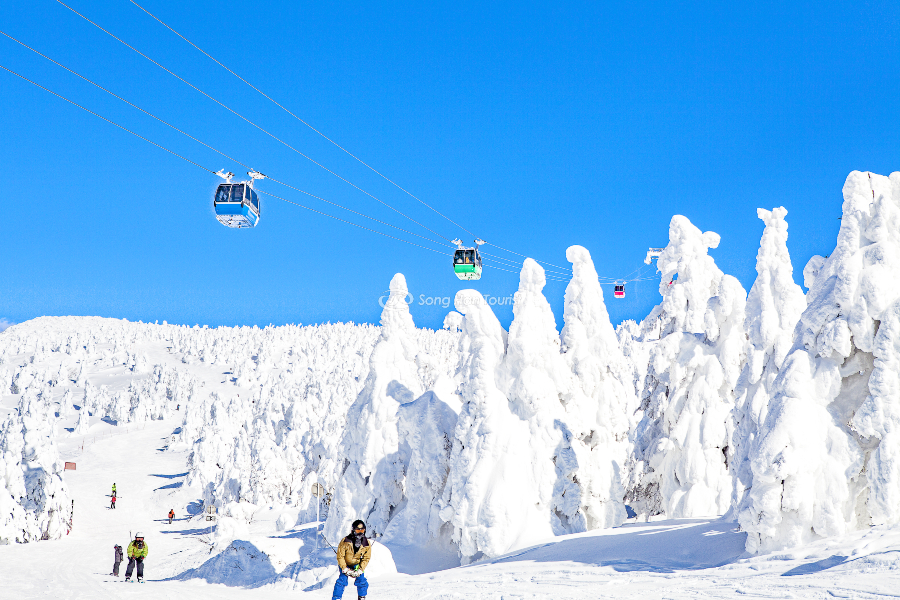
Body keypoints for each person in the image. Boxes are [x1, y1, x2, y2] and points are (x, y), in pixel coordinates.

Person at [332, 519, 370, 600]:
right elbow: (340, 556)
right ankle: (337, 598)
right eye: (358, 530)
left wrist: (360, 569)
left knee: (362, 580)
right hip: (345, 563)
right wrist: (345, 568)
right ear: (353, 530)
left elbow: (366, 558)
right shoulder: (345, 541)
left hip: (356, 564)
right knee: (342, 580)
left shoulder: (366, 543)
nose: (360, 533)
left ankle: (362, 597)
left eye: (362, 530)